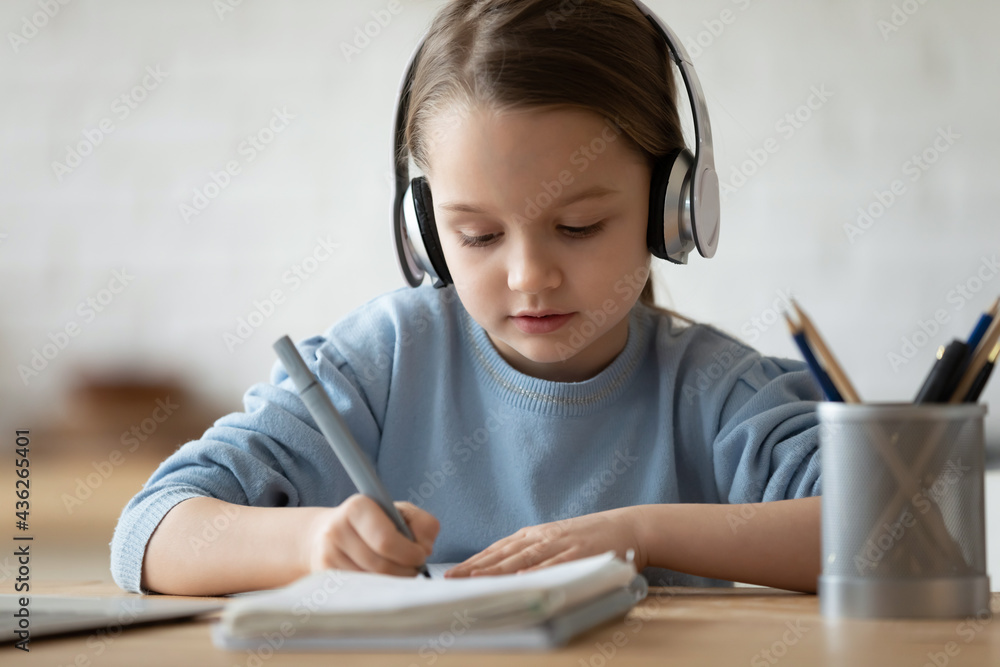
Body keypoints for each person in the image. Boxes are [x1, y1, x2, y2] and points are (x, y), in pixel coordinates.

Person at [111, 0, 822, 597]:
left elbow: (906, 528)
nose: (529, 276)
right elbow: (150, 530)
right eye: (478, 235)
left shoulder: (715, 392)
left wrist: (636, 534)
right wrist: (315, 540)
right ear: (427, 230)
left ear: (672, 208)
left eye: (577, 226)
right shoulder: (381, 363)